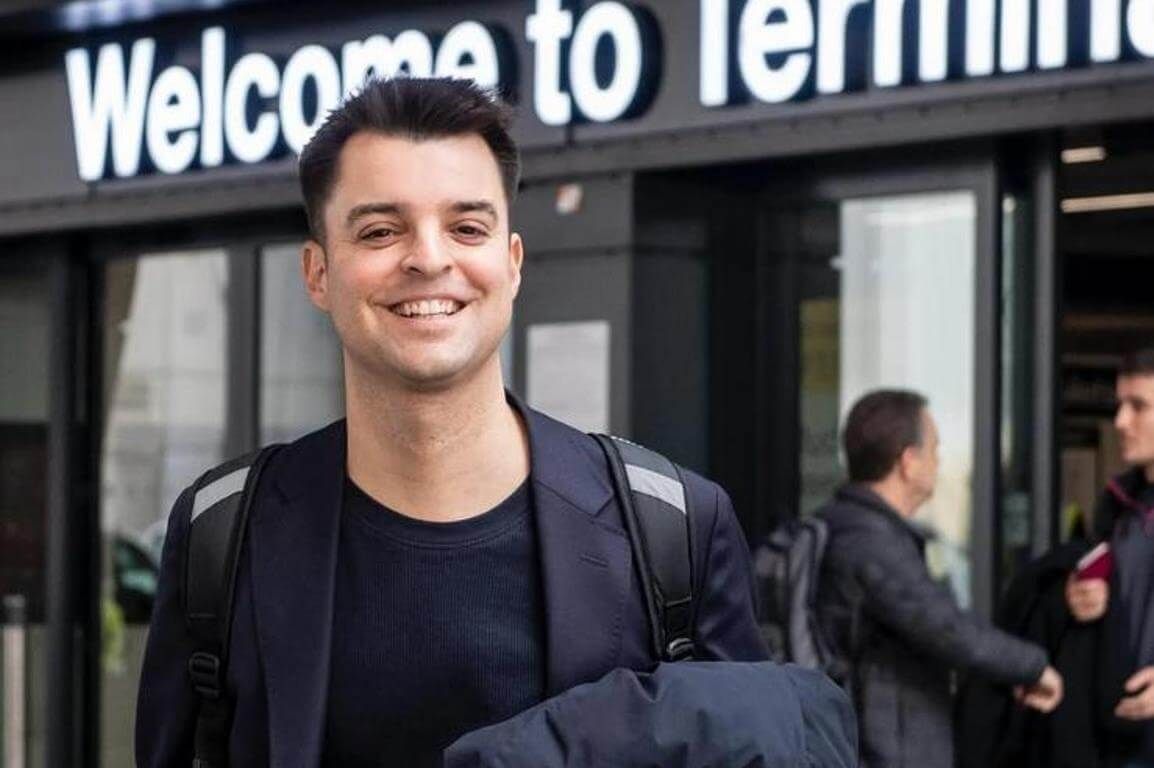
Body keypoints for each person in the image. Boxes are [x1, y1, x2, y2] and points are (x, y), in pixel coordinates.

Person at [134, 77, 851, 767]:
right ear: (318, 273)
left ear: (510, 264)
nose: (429, 258)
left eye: (466, 226)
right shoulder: (222, 535)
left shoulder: (671, 527)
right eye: (381, 230)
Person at [814, 389, 1063, 768]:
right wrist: (1033, 667)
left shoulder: (856, 529)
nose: (938, 460)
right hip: (883, 749)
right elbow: (947, 628)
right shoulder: (868, 541)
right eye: (934, 449)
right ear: (909, 462)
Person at [1065, 347, 1154, 767]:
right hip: (1117, 738)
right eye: (1120, 405)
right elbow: (1091, 575)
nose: (1120, 422)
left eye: (1139, 406)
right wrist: (1076, 592)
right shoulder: (1116, 504)